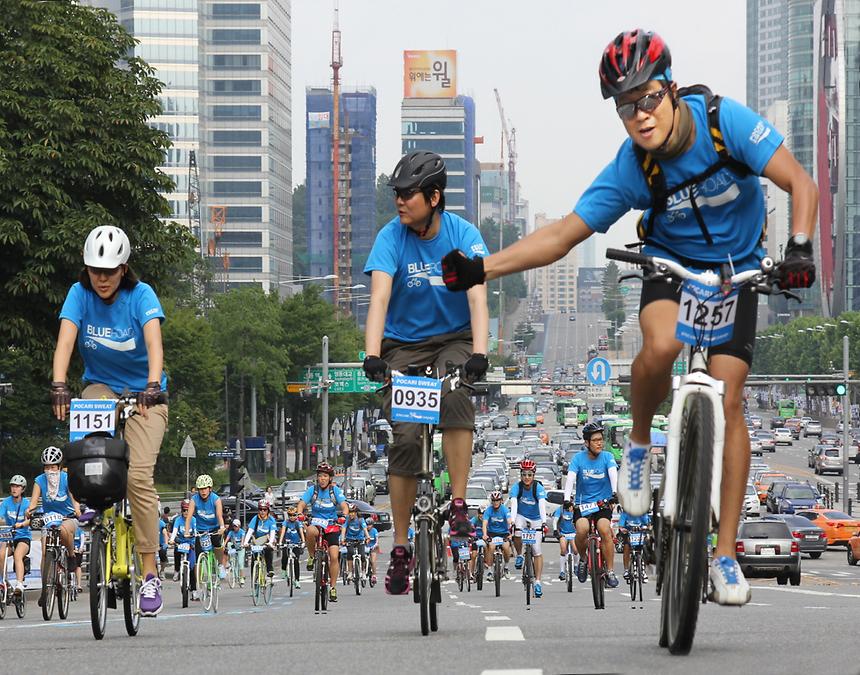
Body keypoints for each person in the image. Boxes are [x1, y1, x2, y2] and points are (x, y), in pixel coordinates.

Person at [440, 30, 817, 606]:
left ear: (672, 89)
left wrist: (799, 246)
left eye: (648, 98)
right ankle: (638, 445)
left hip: (737, 270)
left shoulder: (724, 123)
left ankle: (724, 555)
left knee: (732, 399)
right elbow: (564, 234)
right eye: (625, 106)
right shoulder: (632, 166)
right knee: (660, 347)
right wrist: (480, 268)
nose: (640, 115)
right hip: (671, 265)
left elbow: (799, 181)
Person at [361, 150, 490, 595]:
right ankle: (400, 547)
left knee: (454, 396)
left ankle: (458, 505)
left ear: (434, 197)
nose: (399, 201)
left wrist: (480, 353)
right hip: (403, 346)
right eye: (396, 194)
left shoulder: (463, 235)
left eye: (408, 194)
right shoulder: (390, 238)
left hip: (455, 340)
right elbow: (379, 298)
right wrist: (373, 355)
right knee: (405, 435)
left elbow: (477, 298)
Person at [51, 225, 170, 616]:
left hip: (145, 395)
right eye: (95, 270)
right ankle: (95, 502)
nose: (102, 279)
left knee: (138, 478)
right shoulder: (79, 294)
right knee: (92, 457)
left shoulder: (141, 295)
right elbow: (65, 341)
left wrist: (152, 385)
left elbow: (154, 343)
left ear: (123, 269)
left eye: (109, 271)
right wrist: (59, 384)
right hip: (101, 388)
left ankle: (149, 573)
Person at [564, 422, 619, 588]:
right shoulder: (578, 459)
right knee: (582, 529)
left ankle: (610, 571)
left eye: (601, 439)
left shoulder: (607, 457)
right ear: (587, 443)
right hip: (583, 505)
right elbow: (570, 478)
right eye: (595, 440)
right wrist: (567, 499)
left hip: (603, 503)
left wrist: (614, 493)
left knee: (604, 529)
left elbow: (613, 473)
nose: (599, 443)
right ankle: (582, 559)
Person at [26, 447, 82, 601]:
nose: (49, 470)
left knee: (63, 530)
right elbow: (33, 502)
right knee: (45, 551)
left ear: (59, 466)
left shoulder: (67, 478)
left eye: (53, 467)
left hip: (67, 517)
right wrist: (29, 510)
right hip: (49, 518)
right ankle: (45, 590)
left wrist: (78, 510)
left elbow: (74, 499)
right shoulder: (39, 480)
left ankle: (71, 556)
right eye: (46, 467)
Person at [296, 462, 348, 602]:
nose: (322, 479)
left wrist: (343, 516)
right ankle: (312, 556)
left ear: (330, 478)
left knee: (334, 556)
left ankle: (333, 588)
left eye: (325, 476)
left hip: (331, 527)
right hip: (316, 524)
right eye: (320, 476)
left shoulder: (334, 491)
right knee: (309, 531)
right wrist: (300, 513)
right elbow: (301, 504)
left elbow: (344, 506)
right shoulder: (313, 490)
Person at [508, 459, 547, 597]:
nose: (526, 478)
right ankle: (519, 554)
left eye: (529, 475)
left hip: (536, 519)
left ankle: (538, 582)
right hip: (521, 516)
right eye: (524, 474)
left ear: (534, 475)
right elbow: (514, 505)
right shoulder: (517, 487)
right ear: (520, 475)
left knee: (537, 550)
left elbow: (542, 505)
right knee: (517, 531)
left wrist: (544, 522)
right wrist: (512, 521)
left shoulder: (538, 488)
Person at [184, 474, 226, 580]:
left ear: (210, 489)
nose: (203, 491)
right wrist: (187, 531)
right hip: (201, 530)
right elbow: (189, 517)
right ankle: (199, 581)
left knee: (217, 543)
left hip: (214, 528)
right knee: (198, 554)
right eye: (200, 489)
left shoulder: (216, 499)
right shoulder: (194, 499)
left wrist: (221, 527)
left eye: (205, 488)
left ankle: (220, 565)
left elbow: (219, 515)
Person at [0, 475, 31, 595]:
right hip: (8, 535)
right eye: (13, 486)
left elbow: (30, 520)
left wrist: (22, 524)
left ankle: (19, 584)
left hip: (23, 536)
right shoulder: (5, 502)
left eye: (18, 486)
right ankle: (4, 582)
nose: (14, 489)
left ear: (23, 489)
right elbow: (1, 517)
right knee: (1, 554)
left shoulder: (27, 503)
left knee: (18, 554)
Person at [169, 499, 199, 599]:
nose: (186, 512)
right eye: (184, 510)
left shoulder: (193, 520)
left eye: (188, 510)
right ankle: (177, 570)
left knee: (192, 567)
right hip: (181, 542)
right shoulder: (178, 520)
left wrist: (194, 536)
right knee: (176, 549)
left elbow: (196, 530)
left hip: (191, 544)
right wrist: (171, 539)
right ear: (181, 510)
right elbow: (174, 530)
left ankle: (194, 590)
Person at [241, 501, 277, 581]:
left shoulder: (271, 519)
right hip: (257, 541)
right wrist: (245, 542)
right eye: (260, 509)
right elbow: (250, 531)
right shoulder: (255, 518)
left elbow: (272, 532)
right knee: (254, 558)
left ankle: (270, 569)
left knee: (268, 551)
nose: (262, 512)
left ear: (268, 510)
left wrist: (270, 542)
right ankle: (254, 579)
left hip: (267, 540)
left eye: (264, 510)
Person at [482, 491, 513, 579]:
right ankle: (490, 571)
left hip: (504, 533)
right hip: (492, 533)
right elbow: (484, 523)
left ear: (501, 501)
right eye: (494, 501)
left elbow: (509, 521)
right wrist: (484, 534)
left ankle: (506, 567)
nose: (495, 502)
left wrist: (511, 533)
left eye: (497, 500)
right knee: (491, 547)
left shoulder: (505, 510)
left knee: (506, 547)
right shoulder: (488, 510)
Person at [619, 508, 651, 583]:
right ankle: (626, 570)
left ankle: (643, 571)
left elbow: (648, 524)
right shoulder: (625, 514)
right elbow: (621, 526)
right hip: (629, 533)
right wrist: (623, 529)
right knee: (626, 546)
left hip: (640, 534)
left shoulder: (642, 513)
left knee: (645, 548)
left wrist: (647, 528)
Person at [341, 504, 370, 582]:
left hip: (360, 539)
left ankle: (363, 572)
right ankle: (350, 572)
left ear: (356, 513)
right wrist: (342, 539)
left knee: (362, 555)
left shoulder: (361, 520)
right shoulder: (347, 519)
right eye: (350, 512)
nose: (351, 514)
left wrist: (367, 537)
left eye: (353, 512)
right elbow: (343, 529)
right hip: (350, 539)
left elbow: (365, 529)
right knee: (350, 553)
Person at [278, 507, 305, 588]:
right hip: (287, 543)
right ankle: (283, 570)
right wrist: (280, 542)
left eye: (294, 515)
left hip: (296, 543)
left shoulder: (298, 523)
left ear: (296, 515)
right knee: (285, 556)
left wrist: (303, 542)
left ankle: (297, 580)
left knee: (296, 561)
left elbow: (301, 532)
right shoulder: (285, 522)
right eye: (290, 515)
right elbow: (283, 532)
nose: (292, 517)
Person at [557, 500, 577, 581]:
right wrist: (556, 531)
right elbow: (555, 520)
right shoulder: (560, 510)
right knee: (563, 550)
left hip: (573, 533)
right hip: (563, 533)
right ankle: (562, 571)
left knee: (575, 549)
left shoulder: (576, 510)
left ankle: (576, 565)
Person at [224, 518, 246, 587]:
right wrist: (223, 545)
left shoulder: (242, 532)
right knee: (229, 544)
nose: (235, 528)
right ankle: (230, 562)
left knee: (240, 563)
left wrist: (242, 545)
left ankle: (242, 578)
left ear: (239, 526)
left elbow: (242, 540)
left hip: (240, 548)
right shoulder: (231, 532)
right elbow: (227, 539)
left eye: (236, 526)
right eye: (234, 526)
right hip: (234, 547)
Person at [366, 517, 380, 585]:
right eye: (367, 525)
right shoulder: (364, 530)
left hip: (373, 547)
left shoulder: (374, 530)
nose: (368, 526)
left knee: (373, 561)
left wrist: (375, 544)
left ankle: (374, 575)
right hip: (366, 547)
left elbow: (377, 540)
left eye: (370, 525)